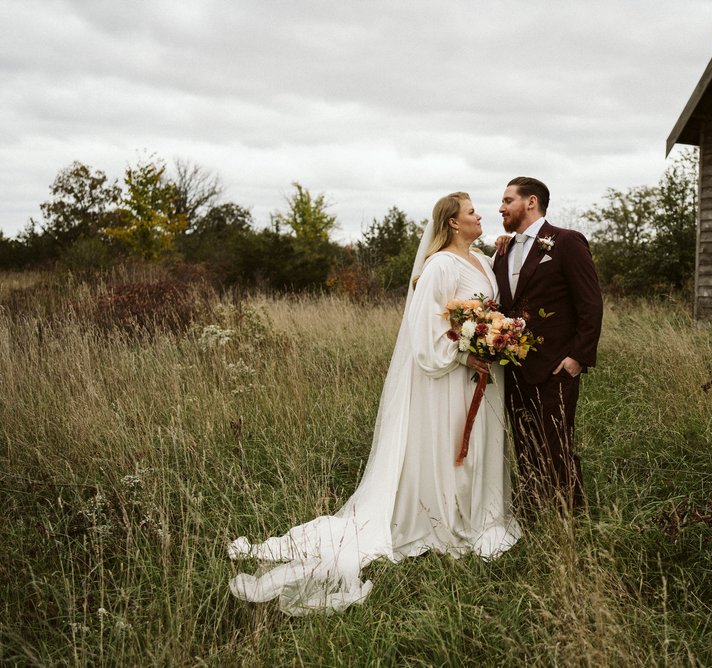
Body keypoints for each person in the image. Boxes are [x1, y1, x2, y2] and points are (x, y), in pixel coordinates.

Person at [227, 192, 521, 615]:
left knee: (479, 447)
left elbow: (491, 307)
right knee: (455, 447)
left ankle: (480, 515)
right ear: (453, 223)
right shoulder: (439, 265)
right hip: (452, 379)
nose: (481, 215)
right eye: (472, 211)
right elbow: (425, 332)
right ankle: (446, 519)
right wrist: (463, 353)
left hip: (485, 377)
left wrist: (495, 337)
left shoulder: (484, 260)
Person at [493, 177, 603, 515]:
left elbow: (590, 303)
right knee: (524, 444)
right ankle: (534, 510)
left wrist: (577, 358)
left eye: (507, 200)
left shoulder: (567, 242)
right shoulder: (503, 250)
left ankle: (571, 516)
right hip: (513, 369)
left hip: (556, 367)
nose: (501, 208)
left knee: (557, 445)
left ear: (531, 202)